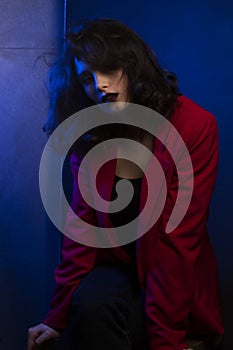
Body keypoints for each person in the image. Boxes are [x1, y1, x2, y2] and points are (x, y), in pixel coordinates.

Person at [27, 18, 224, 350]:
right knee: (89, 308)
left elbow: (176, 240)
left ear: (132, 63)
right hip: (117, 271)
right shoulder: (91, 139)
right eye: (87, 78)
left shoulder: (194, 126)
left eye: (108, 68)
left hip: (175, 276)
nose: (99, 85)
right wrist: (55, 315)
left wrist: (167, 343)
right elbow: (81, 234)